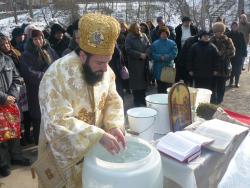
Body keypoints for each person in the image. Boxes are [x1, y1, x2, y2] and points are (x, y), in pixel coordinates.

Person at [36, 13, 126, 188]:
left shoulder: (106, 71)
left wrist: (113, 125)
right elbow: (56, 122)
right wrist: (97, 135)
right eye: (100, 63)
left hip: (96, 155)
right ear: (83, 56)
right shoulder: (56, 75)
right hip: (66, 164)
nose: (106, 68)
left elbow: (112, 100)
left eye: (108, 61)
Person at [20, 29, 58, 145]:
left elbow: (58, 64)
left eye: (41, 38)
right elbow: (28, 73)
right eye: (36, 39)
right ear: (31, 41)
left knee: (53, 116)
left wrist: (54, 74)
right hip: (37, 90)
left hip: (52, 89)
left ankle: (53, 143)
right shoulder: (27, 54)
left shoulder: (49, 50)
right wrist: (47, 75)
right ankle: (39, 145)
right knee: (38, 118)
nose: (39, 41)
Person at [0, 51, 30, 177]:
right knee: (1, 135)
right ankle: (3, 163)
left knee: (14, 130)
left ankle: (16, 156)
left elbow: (17, 78)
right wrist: (3, 98)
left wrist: (12, 96)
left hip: (11, 103)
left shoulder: (7, 59)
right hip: (2, 101)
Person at [125, 22, 151, 106]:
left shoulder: (144, 35)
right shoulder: (129, 37)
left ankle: (143, 99)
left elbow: (148, 46)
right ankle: (137, 101)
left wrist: (146, 54)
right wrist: (139, 55)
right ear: (132, 29)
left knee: (143, 82)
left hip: (144, 63)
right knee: (136, 84)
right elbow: (128, 50)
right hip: (134, 64)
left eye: (139, 28)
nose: (139, 29)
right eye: (137, 28)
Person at [210, 22, 235, 104]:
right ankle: (213, 101)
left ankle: (219, 101)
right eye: (216, 31)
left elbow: (232, 52)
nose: (218, 33)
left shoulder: (228, 40)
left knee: (221, 85)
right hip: (213, 67)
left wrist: (223, 53)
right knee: (213, 85)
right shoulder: (211, 40)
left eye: (220, 31)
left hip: (224, 67)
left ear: (222, 31)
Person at [151, 26, 178, 93]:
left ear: (168, 34)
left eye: (165, 33)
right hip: (158, 68)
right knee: (160, 87)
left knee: (169, 88)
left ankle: (168, 101)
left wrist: (166, 57)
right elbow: (152, 54)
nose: (164, 35)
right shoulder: (154, 44)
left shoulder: (172, 43)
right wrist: (160, 57)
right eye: (162, 33)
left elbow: (174, 53)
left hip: (169, 67)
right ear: (159, 34)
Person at [175, 16, 198, 82]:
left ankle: (190, 80)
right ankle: (181, 80)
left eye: (189, 22)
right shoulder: (178, 29)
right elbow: (176, 40)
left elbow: (196, 38)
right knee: (181, 66)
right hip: (181, 50)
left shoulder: (194, 28)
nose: (187, 23)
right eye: (185, 22)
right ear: (182, 22)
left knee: (190, 65)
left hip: (191, 50)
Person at [227, 22, 247, 87]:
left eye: (236, 26)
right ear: (231, 27)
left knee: (238, 69)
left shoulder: (241, 34)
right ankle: (231, 81)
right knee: (232, 69)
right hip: (231, 54)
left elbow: (244, 44)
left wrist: (244, 53)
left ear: (237, 27)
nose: (234, 27)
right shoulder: (228, 34)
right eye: (233, 26)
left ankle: (237, 82)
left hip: (239, 54)